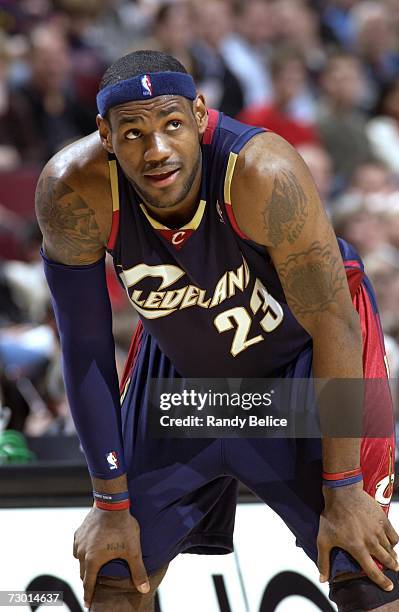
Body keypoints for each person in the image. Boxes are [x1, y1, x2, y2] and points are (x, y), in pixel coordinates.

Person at [35, 50, 398, 611]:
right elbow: (84, 348)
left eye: (171, 125)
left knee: (363, 570)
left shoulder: (261, 173)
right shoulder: (72, 189)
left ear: (200, 116)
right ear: (105, 135)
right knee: (114, 572)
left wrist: (345, 484)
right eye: (132, 132)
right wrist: (109, 503)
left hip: (305, 361)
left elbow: (333, 322)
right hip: (189, 369)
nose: (156, 150)